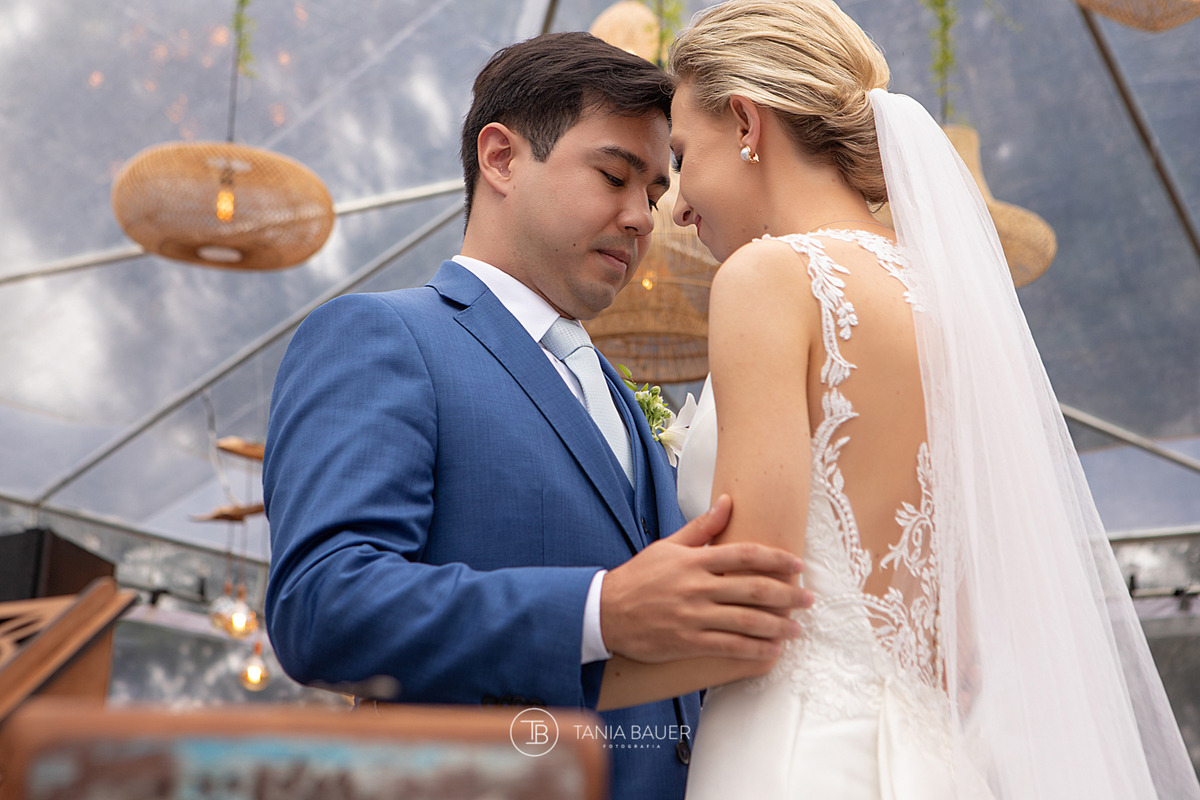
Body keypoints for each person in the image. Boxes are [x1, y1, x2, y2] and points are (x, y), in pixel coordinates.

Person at [593, 2, 1200, 799]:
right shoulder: (948, 297)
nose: (675, 204)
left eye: (680, 157)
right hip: (933, 759)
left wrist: (539, 682)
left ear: (746, 121)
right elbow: (965, 647)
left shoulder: (768, 277)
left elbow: (751, 616)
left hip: (795, 758)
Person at [262, 31, 812, 800]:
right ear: (500, 158)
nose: (642, 218)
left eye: (654, 195)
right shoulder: (384, 337)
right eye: (614, 176)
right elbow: (322, 607)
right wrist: (597, 612)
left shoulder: (620, 395)